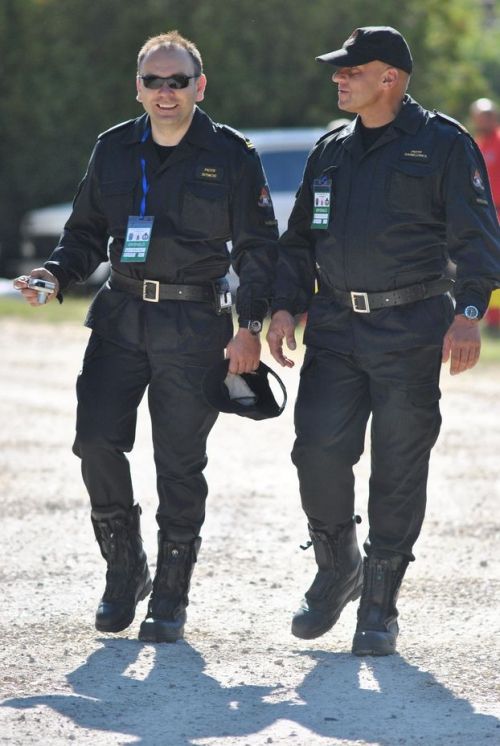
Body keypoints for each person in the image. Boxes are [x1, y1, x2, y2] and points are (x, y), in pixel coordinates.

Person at [14, 30, 278, 643]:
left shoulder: (232, 155)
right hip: (121, 316)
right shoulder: (113, 148)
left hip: (195, 326)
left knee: (179, 463)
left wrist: (249, 328)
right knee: (95, 441)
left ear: (199, 86)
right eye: (153, 81)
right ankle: (125, 568)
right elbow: (84, 234)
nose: (165, 91)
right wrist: (54, 275)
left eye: (177, 81)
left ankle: (171, 594)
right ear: (138, 87)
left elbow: (259, 250)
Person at [267, 26, 500, 656]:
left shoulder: (444, 145)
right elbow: (299, 241)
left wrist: (468, 313)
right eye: (339, 71)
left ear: (389, 78)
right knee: (317, 451)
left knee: (398, 467)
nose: (338, 79)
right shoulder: (330, 151)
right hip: (337, 327)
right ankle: (337, 565)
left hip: (411, 328)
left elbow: (478, 238)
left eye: (352, 71)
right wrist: (284, 305)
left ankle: (379, 602)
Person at [469, 97, 500, 333]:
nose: (482, 121)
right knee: (491, 264)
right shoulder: (477, 144)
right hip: (486, 215)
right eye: (479, 117)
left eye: (486, 116)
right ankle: (494, 319)